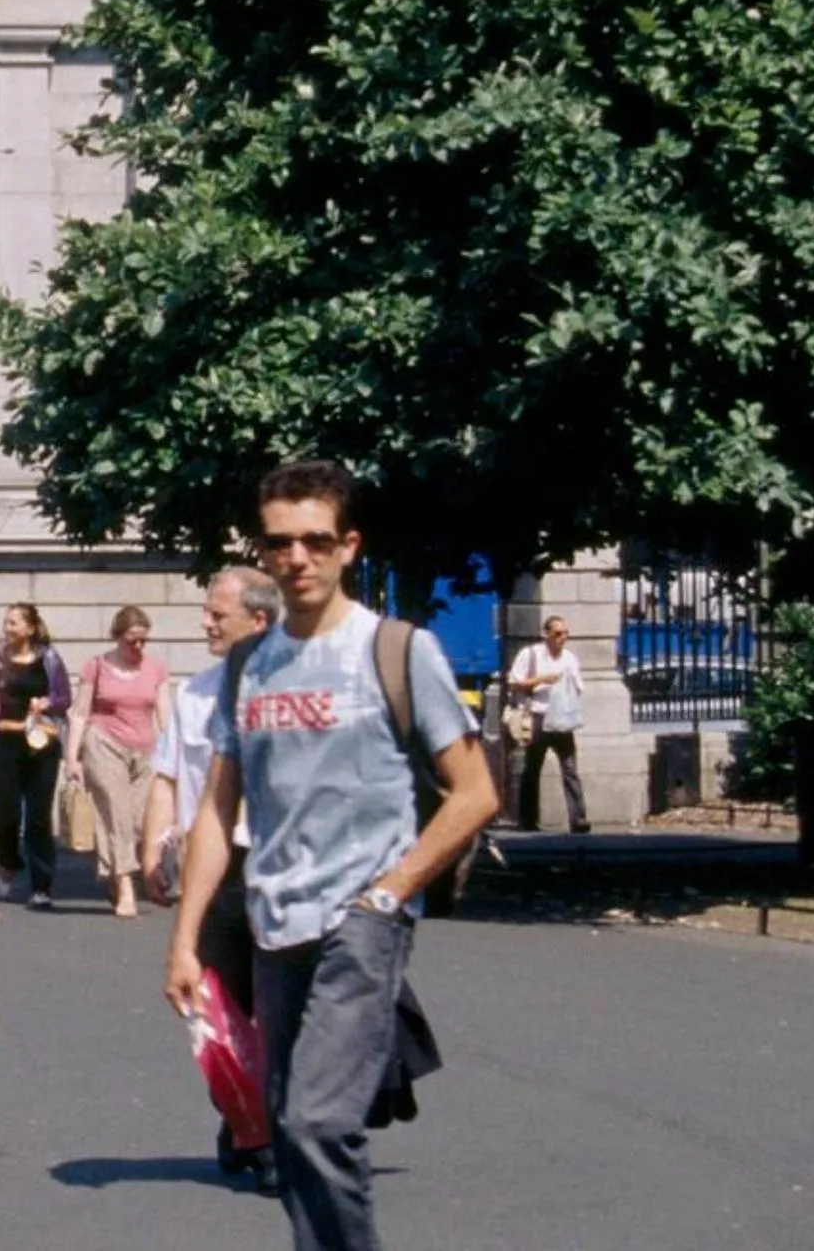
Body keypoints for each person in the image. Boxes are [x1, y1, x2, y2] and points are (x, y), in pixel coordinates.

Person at [165, 460, 500, 1251]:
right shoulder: (250, 666)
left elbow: (475, 792)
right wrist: (183, 938)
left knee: (318, 1120)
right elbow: (217, 810)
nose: (297, 558)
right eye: (280, 543)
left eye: (317, 540)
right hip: (272, 919)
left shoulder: (396, 649)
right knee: (287, 1127)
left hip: (361, 917)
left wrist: (391, 890)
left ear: (349, 546)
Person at [158, 565, 284, 1194]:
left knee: (280, 1005)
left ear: (259, 620)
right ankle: (242, 1121)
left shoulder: (287, 691)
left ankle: (266, 1132)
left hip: (279, 864)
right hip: (216, 867)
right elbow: (171, 776)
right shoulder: (196, 693)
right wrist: (160, 845)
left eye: (217, 612)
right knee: (221, 1006)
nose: (205, 621)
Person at [64, 605, 171, 917]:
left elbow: (164, 713)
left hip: (145, 749)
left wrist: (172, 751)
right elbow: (80, 712)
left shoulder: (156, 669)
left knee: (139, 821)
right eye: (131, 641)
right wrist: (72, 756)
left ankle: (113, 871)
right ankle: (126, 886)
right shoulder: (96, 666)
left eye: (142, 641)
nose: (137, 647)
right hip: (104, 743)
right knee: (116, 813)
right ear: (117, 637)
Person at [0, 602, 72, 909]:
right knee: (6, 813)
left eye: (14, 623)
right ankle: (8, 864)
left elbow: (65, 697)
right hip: (3, 739)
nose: (8, 628)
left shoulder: (48, 658)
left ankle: (41, 885)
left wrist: (46, 703)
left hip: (40, 742)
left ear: (30, 627)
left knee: (38, 816)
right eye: (6, 622)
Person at [508, 615, 591, 834]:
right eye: (557, 634)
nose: (562, 638)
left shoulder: (569, 658)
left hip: (562, 718)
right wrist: (541, 680)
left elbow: (578, 686)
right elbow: (514, 682)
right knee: (532, 769)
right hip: (539, 716)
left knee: (570, 769)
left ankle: (578, 818)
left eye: (566, 634)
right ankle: (527, 820)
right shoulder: (531, 654)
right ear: (546, 634)